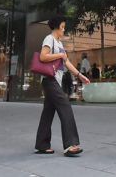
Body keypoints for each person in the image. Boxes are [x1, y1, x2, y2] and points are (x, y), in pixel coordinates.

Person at [35, 16, 90, 157]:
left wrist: (80, 75)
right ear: (57, 27)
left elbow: (67, 62)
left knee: (48, 112)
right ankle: (70, 145)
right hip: (49, 79)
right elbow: (43, 57)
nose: (64, 30)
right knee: (65, 106)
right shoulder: (49, 39)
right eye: (63, 27)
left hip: (55, 81)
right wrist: (59, 55)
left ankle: (42, 144)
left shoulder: (59, 43)